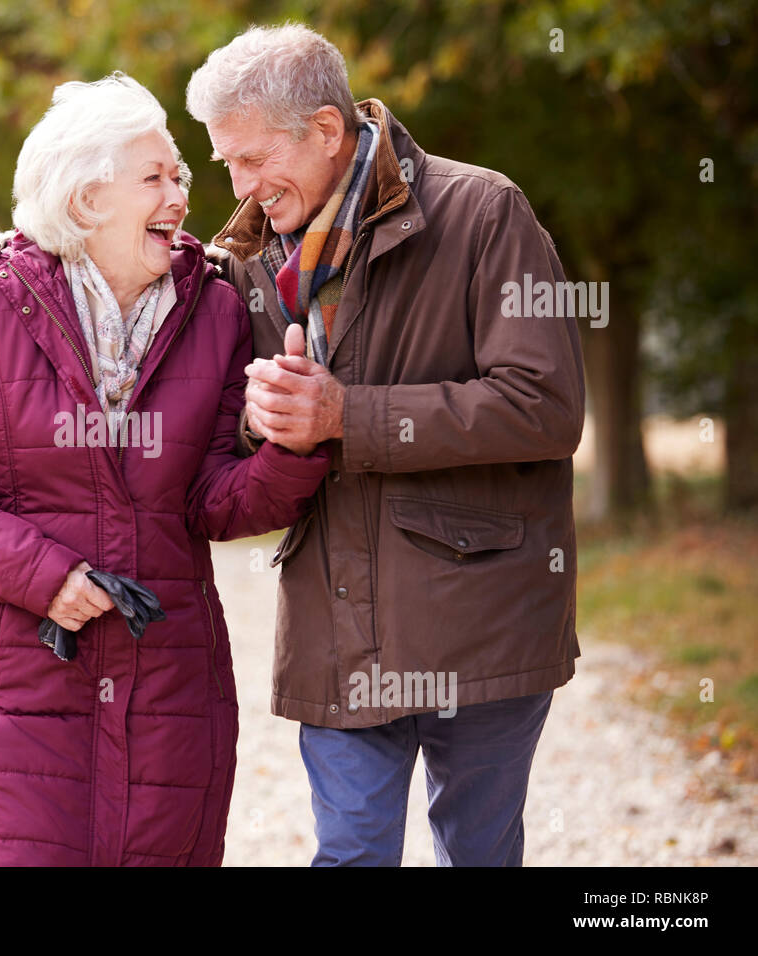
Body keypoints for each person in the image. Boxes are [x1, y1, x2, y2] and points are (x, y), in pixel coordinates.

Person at [0, 73, 332, 866]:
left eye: (181, 176)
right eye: (155, 177)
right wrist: (43, 576)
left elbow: (210, 504)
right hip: (28, 669)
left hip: (170, 671)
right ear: (87, 201)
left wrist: (293, 451)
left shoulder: (218, 310)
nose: (181, 197)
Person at [187, 23, 586, 866]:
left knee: (475, 853)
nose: (243, 187)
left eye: (254, 159)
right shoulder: (249, 258)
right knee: (350, 854)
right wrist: (263, 421)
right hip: (335, 620)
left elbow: (546, 406)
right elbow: (227, 427)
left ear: (326, 132)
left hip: (483, 618)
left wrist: (345, 416)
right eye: (228, 164)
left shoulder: (483, 211)